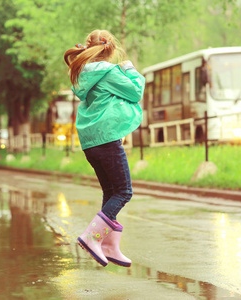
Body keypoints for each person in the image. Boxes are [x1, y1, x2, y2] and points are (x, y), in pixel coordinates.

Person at [64, 29, 145, 267]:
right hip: (107, 138)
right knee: (123, 192)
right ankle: (92, 237)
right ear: (109, 50)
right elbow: (136, 92)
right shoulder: (108, 73)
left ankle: (109, 245)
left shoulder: (82, 73)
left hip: (91, 141)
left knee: (111, 192)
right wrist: (130, 70)